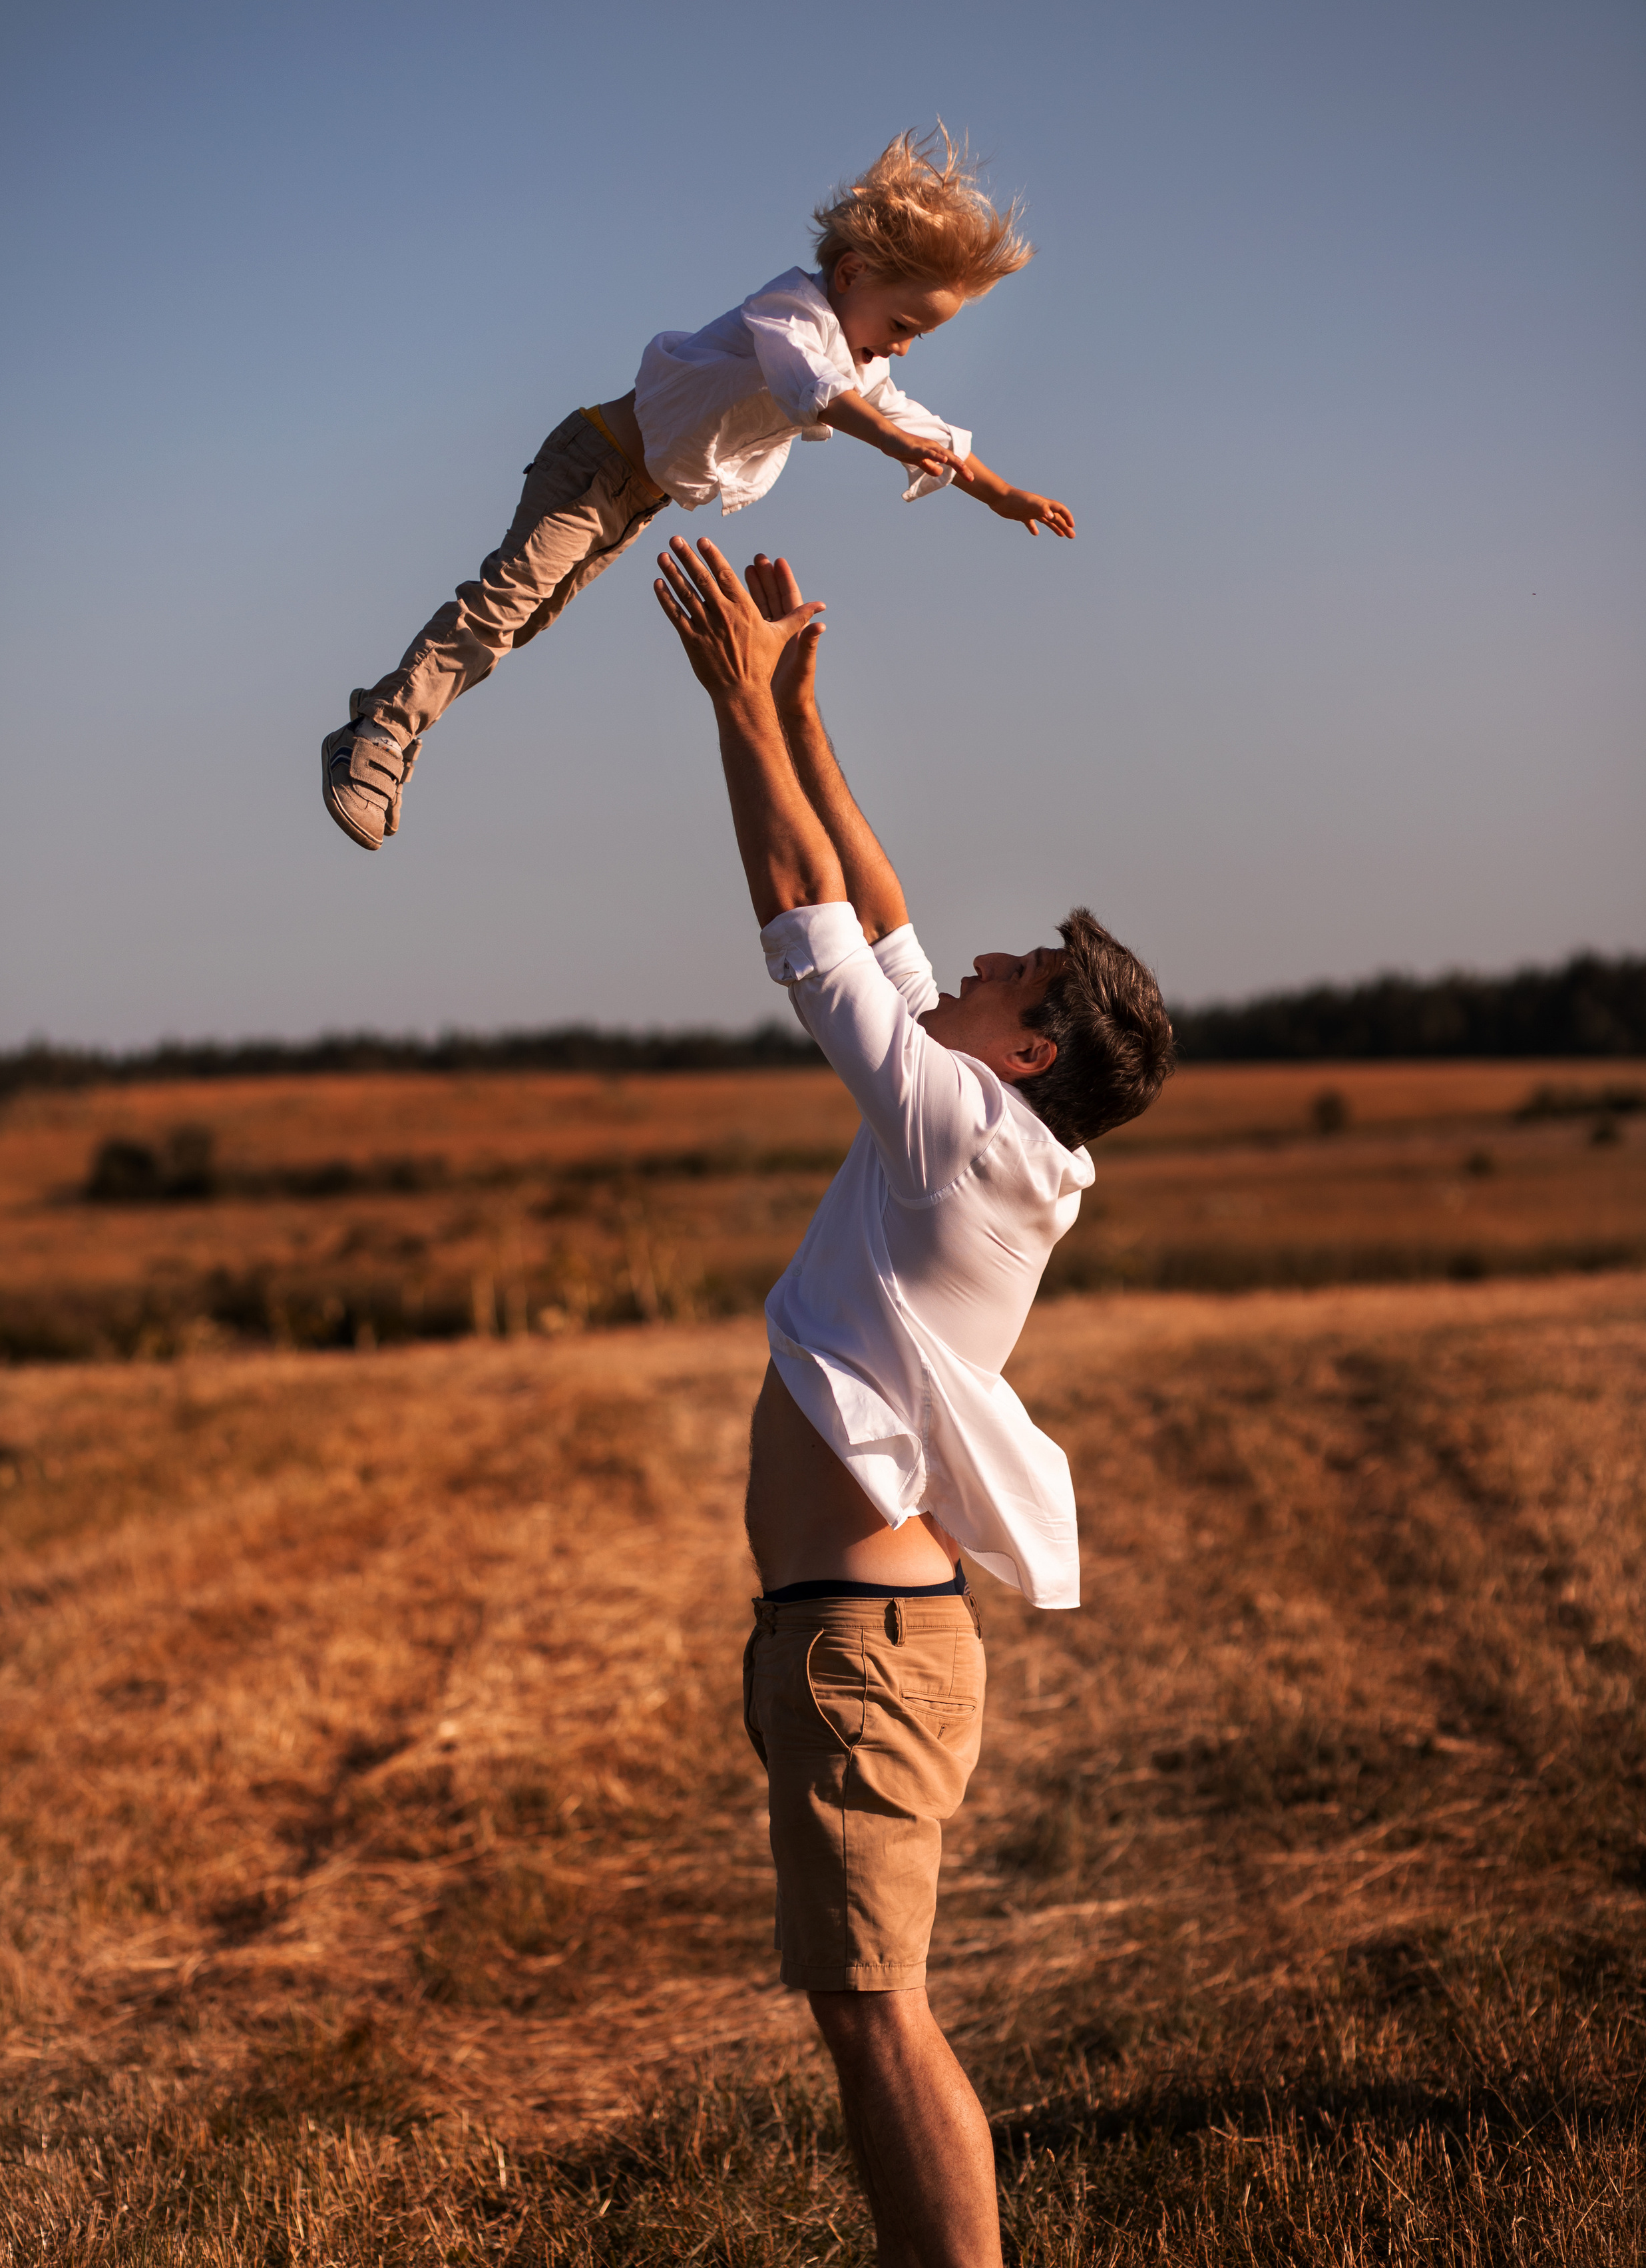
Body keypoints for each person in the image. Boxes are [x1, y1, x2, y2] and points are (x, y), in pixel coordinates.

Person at [652, 535, 1174, 2266]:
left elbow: (811, 927)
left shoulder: (956, 1129)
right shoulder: (1009, 1141)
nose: (964, 968)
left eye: (1006, 977)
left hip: (863, 1643)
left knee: (881, 2011)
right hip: (846, 1631)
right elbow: (882, 916)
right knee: (866, 2004)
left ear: (1025, 1046)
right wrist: (807, 712)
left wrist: (735, 707)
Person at [323, 129, 1074, 852]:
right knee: (506, 601)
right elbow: (808, 387)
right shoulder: (791, 313)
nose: (904, 346)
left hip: (635, 500)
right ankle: (380, 731)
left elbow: (920, 424)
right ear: (850, 276)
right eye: (903, 323)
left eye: (920, 337)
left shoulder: (861, 367)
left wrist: (1000, 493)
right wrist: (885, 439)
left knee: (529, 621)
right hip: (594, 462)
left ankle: (396, 719)